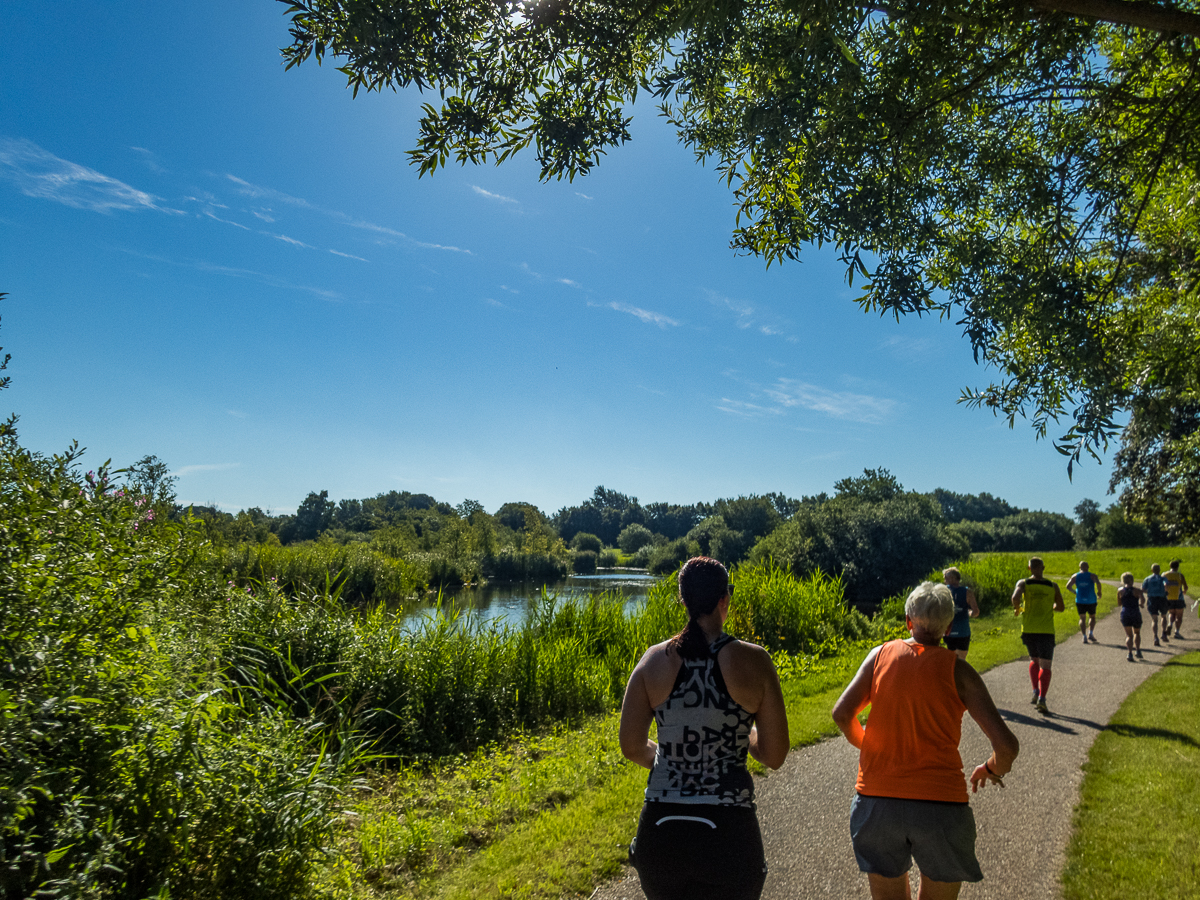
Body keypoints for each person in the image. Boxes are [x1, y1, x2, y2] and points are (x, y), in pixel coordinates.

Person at [832, 582, 1019, 900]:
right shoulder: (959, 672)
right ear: (948, 628)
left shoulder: (880, 656)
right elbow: (1007, 746)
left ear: (908, 621)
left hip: (877, 801)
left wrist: (870, 747)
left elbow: (842, 713)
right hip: (941, 806)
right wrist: (991, 768)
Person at [619, 557, 789, 900]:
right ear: (725, 599)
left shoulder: (653, 661)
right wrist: (745, 737)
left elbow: (632, 746)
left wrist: (671, 754)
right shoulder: (755, 661)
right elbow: (774, 754)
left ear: (683, 600)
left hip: (661, 833)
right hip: (727, 834)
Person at [1011, 557, 1065, 715]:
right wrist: (1050, 606)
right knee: (1046, 665)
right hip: (1046, 630)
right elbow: (1060, 607)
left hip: (1029, 629)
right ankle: (1042, 698)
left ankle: (1035, 690)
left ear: (1029, 569)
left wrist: (1018, 608)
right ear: (1043, 568)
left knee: (1034, 659)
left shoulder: (1024, 583)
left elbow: (1015, 598)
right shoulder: (1052, 585)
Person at [941, 567, 980, 660]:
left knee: (951, 660)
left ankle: (951, 674)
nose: (945, 581)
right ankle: (959, 674)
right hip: (963, 632)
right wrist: (969, 613)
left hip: (948, 632)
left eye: (946, 578)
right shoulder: (967, 592)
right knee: (961, 660)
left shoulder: (942, 592)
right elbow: (976, 612)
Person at [1066, 561, 1102, 644]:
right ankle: (1091, 633)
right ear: (1088, 567)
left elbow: (1068, 586)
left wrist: (1075, 592)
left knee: (1082, 618)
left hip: (1080, 600)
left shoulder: (1075, 576)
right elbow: (1098, 583)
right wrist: (1099, 592)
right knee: (1092, 617)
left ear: (1079, 567)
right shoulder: (1092, 575)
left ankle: (1084, 636)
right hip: (1091, 600)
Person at [1116, 572, 1145, 662]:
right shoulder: (1137, 590)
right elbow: (1142, 600)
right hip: (1135, 612)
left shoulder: (1120, 591)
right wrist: (1141, 604)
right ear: (1132, 580)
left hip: (1125, 612)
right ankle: (1138, 649)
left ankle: (1129, 653)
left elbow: (1119, 603)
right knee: (1137, 632)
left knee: (1129, 635)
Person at [1143, 564, 1170, 646]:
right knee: (1164, 616)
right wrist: (1165, 591)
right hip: (1162, 598)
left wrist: (1150, 592)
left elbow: (1143, 589)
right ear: (1159, 570)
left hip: (1152, 599)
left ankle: (1155, 637)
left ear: (1152, 570)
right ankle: (1163, 633)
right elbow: (1166, 585)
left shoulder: (1148, 579)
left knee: (1154, 619)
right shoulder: (1163, 578)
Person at [1164, 559, 1189, 639]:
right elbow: (1185, 587)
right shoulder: (1180, 575)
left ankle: (1170, 624)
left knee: (1171, 613)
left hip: (1169, 597)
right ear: (1177, 567)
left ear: (1170, 566)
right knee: (1179, 616)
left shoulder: (1165, 574)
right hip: (1179, 598)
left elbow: (1162, 585)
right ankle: (1177, 632)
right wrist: (1184, 591)